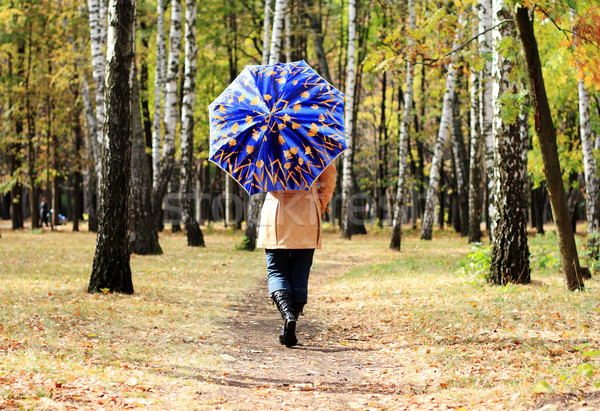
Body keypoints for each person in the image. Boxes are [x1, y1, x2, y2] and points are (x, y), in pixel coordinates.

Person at [257, 163, 337, 347]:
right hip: (307, 210)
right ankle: (291, 322)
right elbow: (329, 179)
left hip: (276, 210)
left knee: (277, 270)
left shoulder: (268, 138)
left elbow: (260, 177)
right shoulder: (316, 138)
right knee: (300, 272)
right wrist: (321, 203)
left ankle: (287, 316)